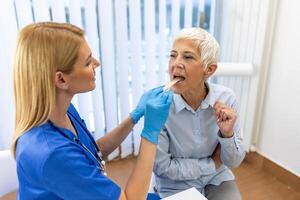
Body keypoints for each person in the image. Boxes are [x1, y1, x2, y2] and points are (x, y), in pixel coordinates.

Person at [12, 22, 173, 200]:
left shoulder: (60, 112)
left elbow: (90, 152)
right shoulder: (52, 153)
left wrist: (135, 116)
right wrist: (151, 133)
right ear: (61, 79)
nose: (97, 63)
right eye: (88, 62)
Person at [153, 27, 246, 200]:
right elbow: (162, 167)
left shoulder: (227, 99)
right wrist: (211, 164)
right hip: (174, 185)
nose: (176, 63)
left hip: (217, 178)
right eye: (173, 55)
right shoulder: (160, 106)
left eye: (187, 57)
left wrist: (227, 134)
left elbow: (233, 162)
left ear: (209, 70)